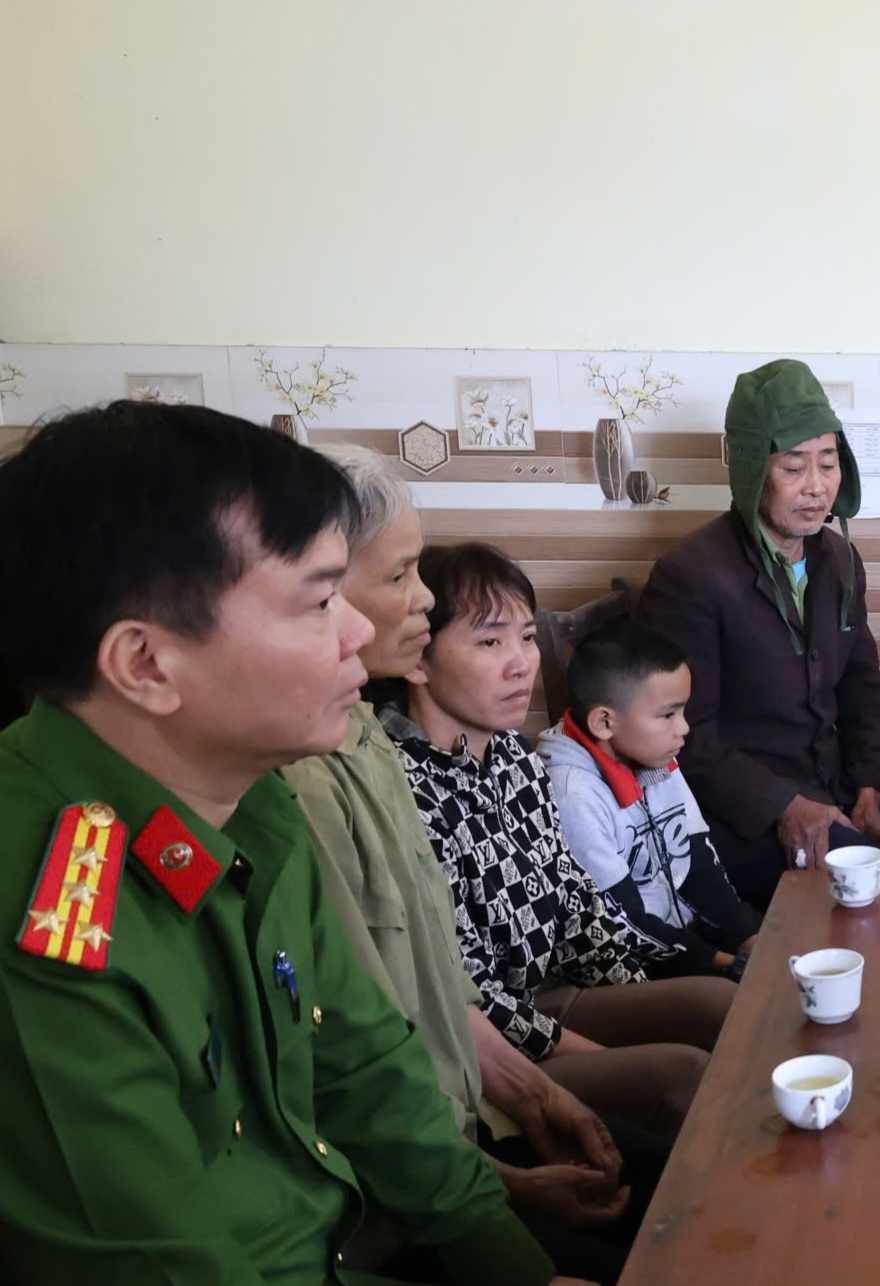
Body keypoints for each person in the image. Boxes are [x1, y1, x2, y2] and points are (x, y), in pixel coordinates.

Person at [0, 402, 558, 1284]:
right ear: (145, 664)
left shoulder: (251, 799)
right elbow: (157, 1262)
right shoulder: (46, 921)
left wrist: (514, 1266)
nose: (360, 630)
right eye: (320, 600)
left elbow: (365, 1066)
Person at [282, 445, 645, 1281]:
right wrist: (501, 1195)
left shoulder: (367, 739)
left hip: (462, 1130)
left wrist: (533, 1096)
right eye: (400, 575)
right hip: (404, 1193)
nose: (419, 600)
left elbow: (435, 982)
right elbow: (362, 1062)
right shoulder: (300, 780)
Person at [380, 540, 734, 1132]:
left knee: (722, 1006)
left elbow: (576, 904)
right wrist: (598, 1053)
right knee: (684, 1076)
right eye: (489, 642)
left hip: (553, 994)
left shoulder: (514, 758)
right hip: (490, 1047)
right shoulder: (403, 788)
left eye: (525, 637)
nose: (522, 663)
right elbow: (467, 992)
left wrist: (658, 981)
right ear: (419, 658)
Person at [638, 358, 880, 907]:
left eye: (828, 464)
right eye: (793, 467)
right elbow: (687, 737)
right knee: (879, 886)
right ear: (752, 471)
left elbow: (862, 685)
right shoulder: (690, 577)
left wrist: (869, 781)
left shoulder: (839, 559)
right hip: (748, 817)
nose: (816, 487)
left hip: (840, 784)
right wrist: (783, 806)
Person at [537, 619, 761, 980]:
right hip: (632, 967)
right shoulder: (572, 797)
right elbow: (622, 922)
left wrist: (748, 937)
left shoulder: (654, 756)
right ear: (604, 723)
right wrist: (724, 963)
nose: (684, 727)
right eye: (668, 714)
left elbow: (697, 859)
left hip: (683, 941)